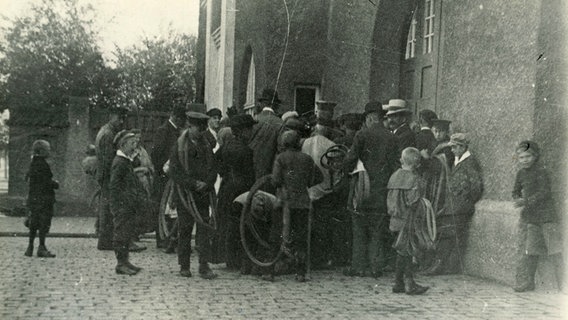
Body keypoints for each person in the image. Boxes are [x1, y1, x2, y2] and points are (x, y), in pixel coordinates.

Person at [343, 102, 399, 277]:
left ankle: (358, 266)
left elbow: (350, 159)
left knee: (359, 228)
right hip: (381, 190)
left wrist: (345, 169)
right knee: (377, 229)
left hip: (362, 189)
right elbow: (394, 165)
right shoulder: (391, 137)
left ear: (368, 118)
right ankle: (376, 267)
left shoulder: (362, 135)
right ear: (380, 118)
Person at [169, 110, 218, 279]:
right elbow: (174, 171)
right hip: (186, 194)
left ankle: (204, 266)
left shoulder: (207, 145)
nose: (201, 132)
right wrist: (192, 184)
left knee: (204, 229)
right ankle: (184, 266)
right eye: (198, 128)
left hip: (203, 194)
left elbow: (213, 168)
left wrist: (207, 183)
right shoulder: (179, 146)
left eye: (203, 129)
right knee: (185, 229)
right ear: (190, 127)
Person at [425, 133, 483, 275]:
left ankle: (440, 266)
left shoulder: (469, 162)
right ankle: (448, 266)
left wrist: (466, 201)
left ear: (463, 147)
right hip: (453, 205)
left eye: (455, 147)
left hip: (460, 206)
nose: (452, 150)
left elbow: (476, 186)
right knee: (449, 234)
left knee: (448, 235)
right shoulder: (458, 160)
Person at [271, 130, 323, 282]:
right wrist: (304, 183)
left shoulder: (280, 158)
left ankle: (271, 271)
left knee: (277, 234)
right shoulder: (306, 159)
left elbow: (275, 180)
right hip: (302, 203)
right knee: (301, 238)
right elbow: (317, 177)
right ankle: (300, 273)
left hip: (284, 202)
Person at [512, 141, 563, 292]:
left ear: (535, 156)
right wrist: (516, 197)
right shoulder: (521, 173)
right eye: (521, 157)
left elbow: (544, 192)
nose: (525, 160)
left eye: (528, 156)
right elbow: (515, 190)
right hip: (531, 217)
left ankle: (563, 283)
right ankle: (528, 282)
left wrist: (526, 201)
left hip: (547, 216)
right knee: (531, 250)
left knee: (555, 250)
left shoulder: (541, 171)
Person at [387, 147, 433, 295]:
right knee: (407, 252)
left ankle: (398, 283)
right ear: (417, 163)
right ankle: (409, 283)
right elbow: (413, 201)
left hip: (395, 220)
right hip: (408, 221)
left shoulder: (394, 176)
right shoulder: (413, 179)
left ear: (402, 160)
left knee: (402, 252)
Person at [215, 114, 256, 269]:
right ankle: (237, 259)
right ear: (243, 131)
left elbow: (215, 161)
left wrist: (224, 173)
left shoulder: (227, 145)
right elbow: (250, 175)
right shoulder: (246, 150)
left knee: (226, 222)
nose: (251, 132)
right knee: (238, 223)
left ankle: (227, 258)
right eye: (249, 129)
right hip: (240, 189)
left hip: (226, 188)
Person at [150, 104, 187, 250]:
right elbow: (156, 154)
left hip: (173, 176)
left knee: (171, 209)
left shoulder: (176, 131)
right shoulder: (163, 130)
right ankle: (162, 239)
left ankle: (171, 238)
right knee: (162, 207)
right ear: (176, 117)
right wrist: (164, 170)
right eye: (182, 119)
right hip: (164, 177)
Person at [109, 130, 145, 275]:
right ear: (123, 145)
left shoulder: (126, 161)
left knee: (127, 232)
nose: (135, 146)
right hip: (122, 205)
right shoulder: (120, 162)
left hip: (128, 204)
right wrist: (118, 205)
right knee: (121, 234)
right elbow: (114, 186)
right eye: (132, 143)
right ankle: (120, 263)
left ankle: (126, 261)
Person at [95, 106, 128, 251]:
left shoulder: (105, 131)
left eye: (122, 118)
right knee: (108, 208)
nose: (121, 121)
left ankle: (105, 240)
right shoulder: (108, 134)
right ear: (111, 116)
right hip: (108, 175)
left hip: (104, 174)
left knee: (106, 207)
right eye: (119, 118)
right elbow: (110, 159)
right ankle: (105, 241)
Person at [24, 140, 59, 258]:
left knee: (34, 223)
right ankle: (42, 247)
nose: (49, 151)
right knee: (44, 223)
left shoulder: (33, 163)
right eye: (48, 149)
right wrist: (55, 184)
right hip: (44, 199)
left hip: (34, 198)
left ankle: (30, 247)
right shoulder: (43, 164)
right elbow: (45, 182)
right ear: (42, 151)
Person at [249, 89, 284, 179]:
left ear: (262, 104)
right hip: (269, 172)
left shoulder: (253, 120)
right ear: (275, 105)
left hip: (250, 169)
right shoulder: (279, 123)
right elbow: (281, 150)